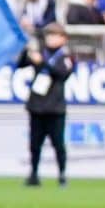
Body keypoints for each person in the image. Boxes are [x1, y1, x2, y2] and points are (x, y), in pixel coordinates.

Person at [21, 23, 74, 187]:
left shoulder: (65, 57)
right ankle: (34, 174)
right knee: (35, 144)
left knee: (58, 144)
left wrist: (42, 62)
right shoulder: (40, 52)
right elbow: (21, 64)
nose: (50, 38)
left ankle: (62, 174)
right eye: (49, 35)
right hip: (37, 106)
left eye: (55, 35)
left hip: (55, 108)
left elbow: (62, 73)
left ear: (63, 39)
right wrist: (26, 50)